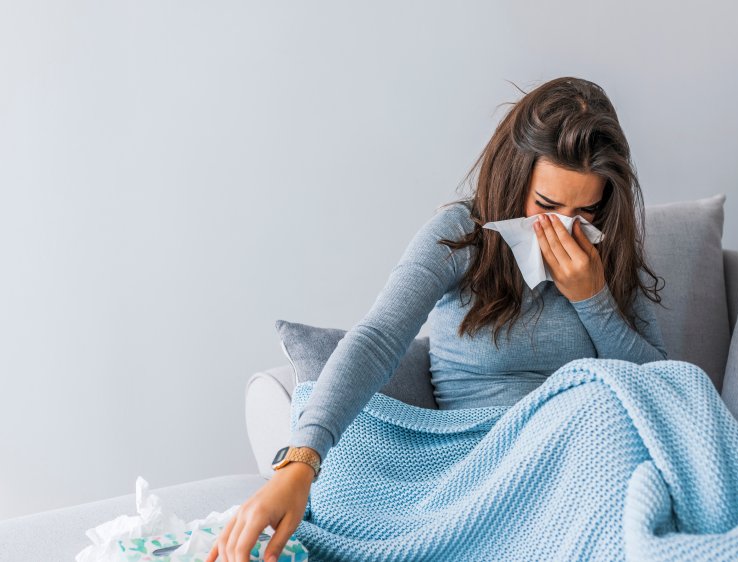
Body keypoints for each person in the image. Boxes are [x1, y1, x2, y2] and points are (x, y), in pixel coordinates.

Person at [207, 76, 668, 562]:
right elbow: (378, 339)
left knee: (623, 414)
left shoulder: (608, 253)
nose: (562, 230)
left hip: (573, 457)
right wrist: (300, 463)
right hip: (472, 465)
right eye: (547, 206)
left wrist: (592, 297)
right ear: (515, 180)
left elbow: (658, 387)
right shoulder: (461, 236)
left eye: (584, 211)